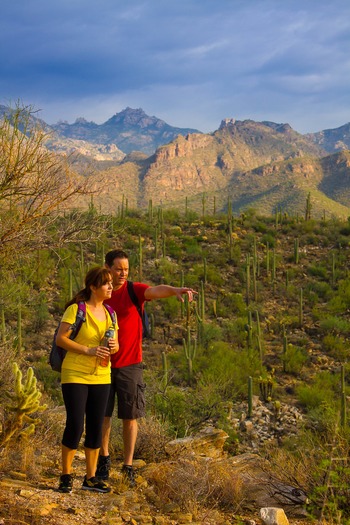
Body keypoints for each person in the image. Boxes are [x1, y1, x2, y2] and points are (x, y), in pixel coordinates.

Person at [96, 249, 195, 486]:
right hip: (102, 363)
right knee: (103, 416)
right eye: (118, 268)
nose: (123, 273)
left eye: (126, 269)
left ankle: (128, 465)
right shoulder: (101, 293)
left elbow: (154, 290)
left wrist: (174, 291)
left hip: (130, 364)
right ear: (107, 267)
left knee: (131, 417)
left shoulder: (133, 290)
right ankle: (103, 460)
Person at [56, 266, 119, 494]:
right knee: (75, 424)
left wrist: (113, 346)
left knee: (95, 426)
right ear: (93, 287)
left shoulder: (111, 313)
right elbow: (61, 339)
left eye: (111, 282)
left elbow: (116, 345)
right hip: (75, 373)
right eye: (106, 283)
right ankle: (66, 474)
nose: (111, 286)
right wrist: (88, 350)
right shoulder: (76, 310)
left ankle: (90, 477)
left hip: (102, 375)